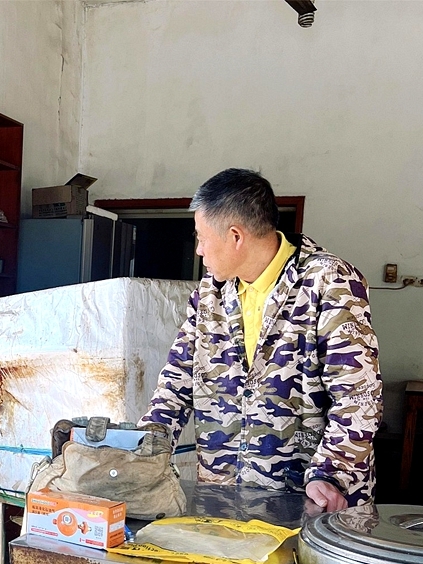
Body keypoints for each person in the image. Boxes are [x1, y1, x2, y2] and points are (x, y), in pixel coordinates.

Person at [139, 168, 382, 512]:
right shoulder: (210, 293)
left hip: (308, 499)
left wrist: (331, 474)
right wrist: (144, 452)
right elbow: (176, 383)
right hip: (226, 496)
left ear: (235, 236)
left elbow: (358, 396)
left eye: (202, 238)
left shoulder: (328, 282)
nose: (199, 251)